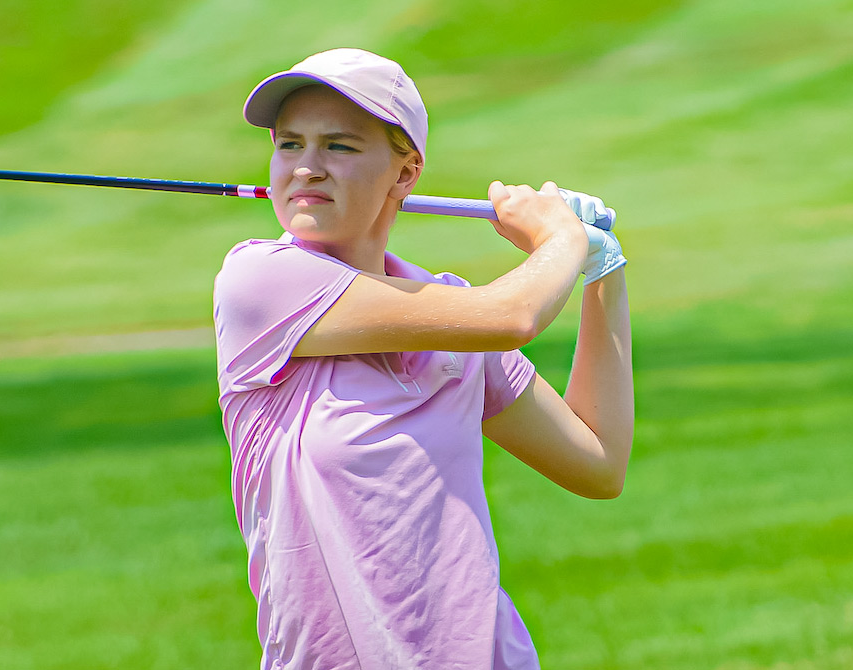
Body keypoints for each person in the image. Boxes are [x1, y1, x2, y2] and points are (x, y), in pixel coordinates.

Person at [213, 48, 633, 670]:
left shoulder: (454, 322)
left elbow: (597, 462)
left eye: (340, 147)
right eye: (289, 145)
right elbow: (512, 318)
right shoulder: (260, 283)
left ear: (406, 173)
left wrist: (604, 271)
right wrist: (560, 239)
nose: (307, 168)